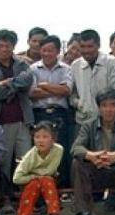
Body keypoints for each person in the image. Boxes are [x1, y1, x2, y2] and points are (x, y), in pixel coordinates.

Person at [0, 29, 34, 215]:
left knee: (26, 161)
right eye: (1, 46)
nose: (5, 49)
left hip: (22, 120)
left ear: (13, 47)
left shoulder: (22, 64)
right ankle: (6, 199)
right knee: (3, 163)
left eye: (8, 46)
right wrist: (15, 86)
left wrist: (5, 83)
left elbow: (27, 80)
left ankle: (27, 200)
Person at [29, 35, 73, 190]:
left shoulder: (66, 69)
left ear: (58, 51)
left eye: (50, 50)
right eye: (44, 50)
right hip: (39, 113)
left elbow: (66, 90)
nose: (47, 53)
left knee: (60, 150)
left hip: (59, 114)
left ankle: (60, 187)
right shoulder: (33, 69)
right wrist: (55, 89)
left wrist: (44, 85)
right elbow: (32, 93)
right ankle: (41, 186)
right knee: (41, 150)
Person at [13, 121, 63, 215]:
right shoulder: (30, 156)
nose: (41, 140)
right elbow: (16, 178)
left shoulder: (58, 149)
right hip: (31, 180)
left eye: (45, 137)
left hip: (50, 179)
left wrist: (39, 176)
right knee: (34, 184)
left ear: (53, 139)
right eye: (37, 137)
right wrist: (33, 176)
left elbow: (50, 170)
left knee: (47, 180)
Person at [70, 29, 115, 127]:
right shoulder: (75, 65)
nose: (86, 50)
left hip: (108, 123)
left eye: (90, 46)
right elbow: (71, 94)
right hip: (83, 121)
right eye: (82, 46)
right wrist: (80, 104)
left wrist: (109, 112)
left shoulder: (111, 62)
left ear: (98, 45)